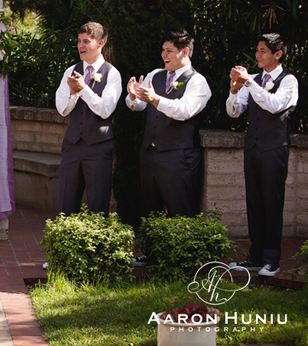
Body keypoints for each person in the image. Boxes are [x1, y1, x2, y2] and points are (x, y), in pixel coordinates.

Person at [227, 33, 298, 277]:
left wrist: (249, 83)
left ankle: (272, 259)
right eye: (256, 50)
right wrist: (235, 90)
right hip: (253, 149)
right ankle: (255, 256)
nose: (257, 55)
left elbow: (274, 104)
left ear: (277, 54)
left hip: (274, 150)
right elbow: (234, 112)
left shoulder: (289, 81)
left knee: (272, 203)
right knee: (255, 203)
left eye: (262, 51)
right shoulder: (254, 80)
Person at [126, 30, 211, 220]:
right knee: (150, 208)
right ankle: (151, 250)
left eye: (169, 51)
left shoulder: (197, 81)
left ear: (185, 52)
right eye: (163, 50)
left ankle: (180, 250)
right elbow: (138, 105)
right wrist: (132, 97)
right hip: (150, 154)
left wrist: (156, 100)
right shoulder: (155, 75)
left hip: (179, 157)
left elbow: (184, 111)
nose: (164, 55)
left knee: (180, 210)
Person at [55, 22, 121, 215]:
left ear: (100, 43)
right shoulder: (71, 71)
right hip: (72, 145)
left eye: (86, 41)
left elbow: (105, 110)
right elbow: (62, 110)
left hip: (99, 147)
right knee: (67, 202)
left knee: (98, 203)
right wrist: (74, 94)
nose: (80, 46)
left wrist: (84, 89)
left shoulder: (112, 74)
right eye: (78, 41)